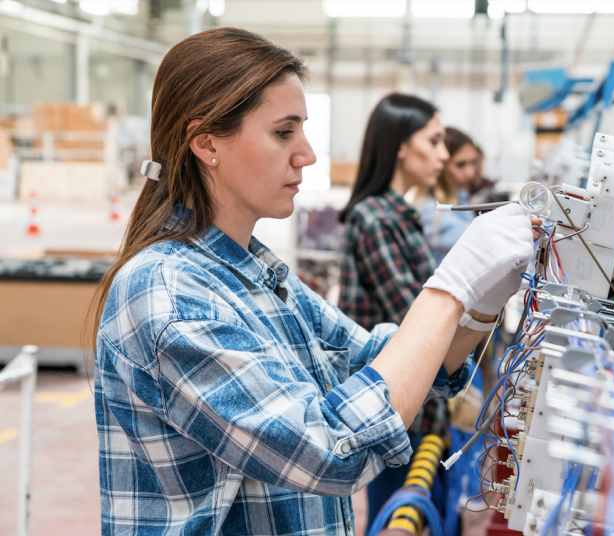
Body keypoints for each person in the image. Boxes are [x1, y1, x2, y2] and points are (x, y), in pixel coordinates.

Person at [89, 28, 534, 536]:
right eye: (284, 132)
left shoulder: (259, 273)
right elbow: (330, 450)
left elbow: (386, 364)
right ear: (207, 143)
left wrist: (483, 298)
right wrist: (451, 287)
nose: (307, 155)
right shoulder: (169, 294)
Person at [337, 94, 453, 530]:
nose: (443, 154)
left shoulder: (400, 215)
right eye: (434, 140)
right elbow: (416, 317)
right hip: (397, 414)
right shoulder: (375, 218)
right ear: (401, 145)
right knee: (396, 520)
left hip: (416, 411)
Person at [414, 126, 480, 264]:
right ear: (441, 164)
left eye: (473, 162)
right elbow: (477, 240)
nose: (470, 172)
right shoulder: (429, 210)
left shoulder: (461, 195)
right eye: (460, 165)